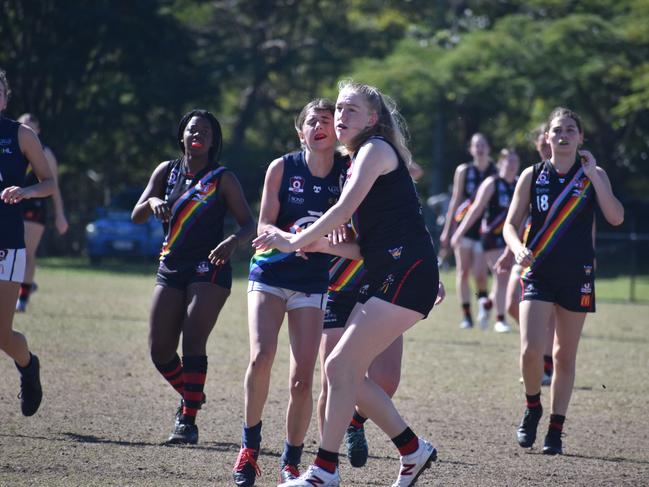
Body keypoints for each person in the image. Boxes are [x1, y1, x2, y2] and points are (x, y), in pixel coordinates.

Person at [255, 80, 441, 487]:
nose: (340, 116)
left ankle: (325, 471)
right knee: (344, 370)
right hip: (391, 272)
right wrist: (319, 244)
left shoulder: (374, 150)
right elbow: (364, 248)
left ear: (373, 119)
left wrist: (293, 240)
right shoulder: (359, 156)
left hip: (408, 274)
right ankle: (411, 451)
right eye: (339, 108)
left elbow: (343, 209)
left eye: (351, 109)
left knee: (341, 366)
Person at [232, 99, 347, 486]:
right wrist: (287, 238)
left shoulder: (348, 173)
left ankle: (290, 462)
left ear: (337, 133)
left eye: (327, 122)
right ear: (301, 133)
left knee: (302, 380)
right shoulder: (282, 168)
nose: (320, 126)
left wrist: (330, 240)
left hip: (312, 283)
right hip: (269, 273)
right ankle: (249, 449)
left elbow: (354, 230)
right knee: (261, 357)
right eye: (312, 122)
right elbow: (264, 225)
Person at [503, 107, 623, 455]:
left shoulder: (593, 174)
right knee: (529, 350)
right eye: (557, 130)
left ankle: (556, 429)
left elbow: (615, 217)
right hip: (538, 272)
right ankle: (532, 407)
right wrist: (518, 248)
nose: (564, 135)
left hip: (577, 275)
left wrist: (596, 176)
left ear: (581, 137)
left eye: (571, 130)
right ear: (547, 138)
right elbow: (511, 224)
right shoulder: (532, 174)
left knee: (564, 355)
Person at [132, 109, 255, 444]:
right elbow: (138, 215)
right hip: (171, 264)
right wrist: (155, 198)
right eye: (192, 129)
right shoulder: (166, 171)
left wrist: (233, 242)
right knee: (160, 351)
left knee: (193, 336)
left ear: (213, 141)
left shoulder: (222, 177)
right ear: (182, 136)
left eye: (205, 131)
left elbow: (250, 223)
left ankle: (187, 422)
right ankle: (193, 395)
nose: (197, 134)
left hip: (210, 265)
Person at [318, 162, 432, 470]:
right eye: (333, 113)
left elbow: (412, 187)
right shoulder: (317, 169)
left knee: (385, 380)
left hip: (383, 281)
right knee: (335, 375)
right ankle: (327, 464)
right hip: (338, 284)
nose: (330, 124)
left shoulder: (372, 160)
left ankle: (355, 424)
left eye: (345, 112)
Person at [0, 68, 55, 416]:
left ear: (5, 97)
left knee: (2, 335)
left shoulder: (21, 135)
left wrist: (25, 191)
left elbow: (48, 183)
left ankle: (28, 367)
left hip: (7, 244)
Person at [505, 126, 556, 384]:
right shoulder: (533, 175)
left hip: (553, 258)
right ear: (538, 144)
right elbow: (517, 220)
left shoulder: (570, 177)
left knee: (549, 313)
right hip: (526, 253)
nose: (547, 146)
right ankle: (537, 343)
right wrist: (509, 251)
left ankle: (546, 365)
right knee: (511, 305)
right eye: (542, 143)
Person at [451, 148, 520, 333]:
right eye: (508, 161)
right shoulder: (492, 183)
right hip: (491, 236)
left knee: (502, 279)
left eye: (515, 161)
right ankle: (500, 320)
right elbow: (476, 209)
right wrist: (459, 232)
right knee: (501, 276)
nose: (512, 165)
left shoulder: (519, 183)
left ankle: (488, 304)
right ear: (500, 164)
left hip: (511, 237)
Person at [440, 133, 497, 329]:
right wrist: (447, 231)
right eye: (476, 145)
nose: (480, 148)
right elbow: (455, 200)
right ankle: (466, 315)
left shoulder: (495, 171)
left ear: (489, 148)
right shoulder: (464, 171)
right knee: (463, 272)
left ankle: (483, 304)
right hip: (463, 228)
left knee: (480, 274)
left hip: (485, 230)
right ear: (471, 149)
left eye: (483, 145)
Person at [15, 113, 69, 312]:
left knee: (27, 252)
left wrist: (59, 214)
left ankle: (23, 297)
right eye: (23, 126)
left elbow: (54, 186)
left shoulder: (45, 153)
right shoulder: (9, 149)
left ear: (38, 131)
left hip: (34, 207)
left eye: (31, 127)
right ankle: (20, 284)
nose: (27, 130)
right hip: (11, 203)